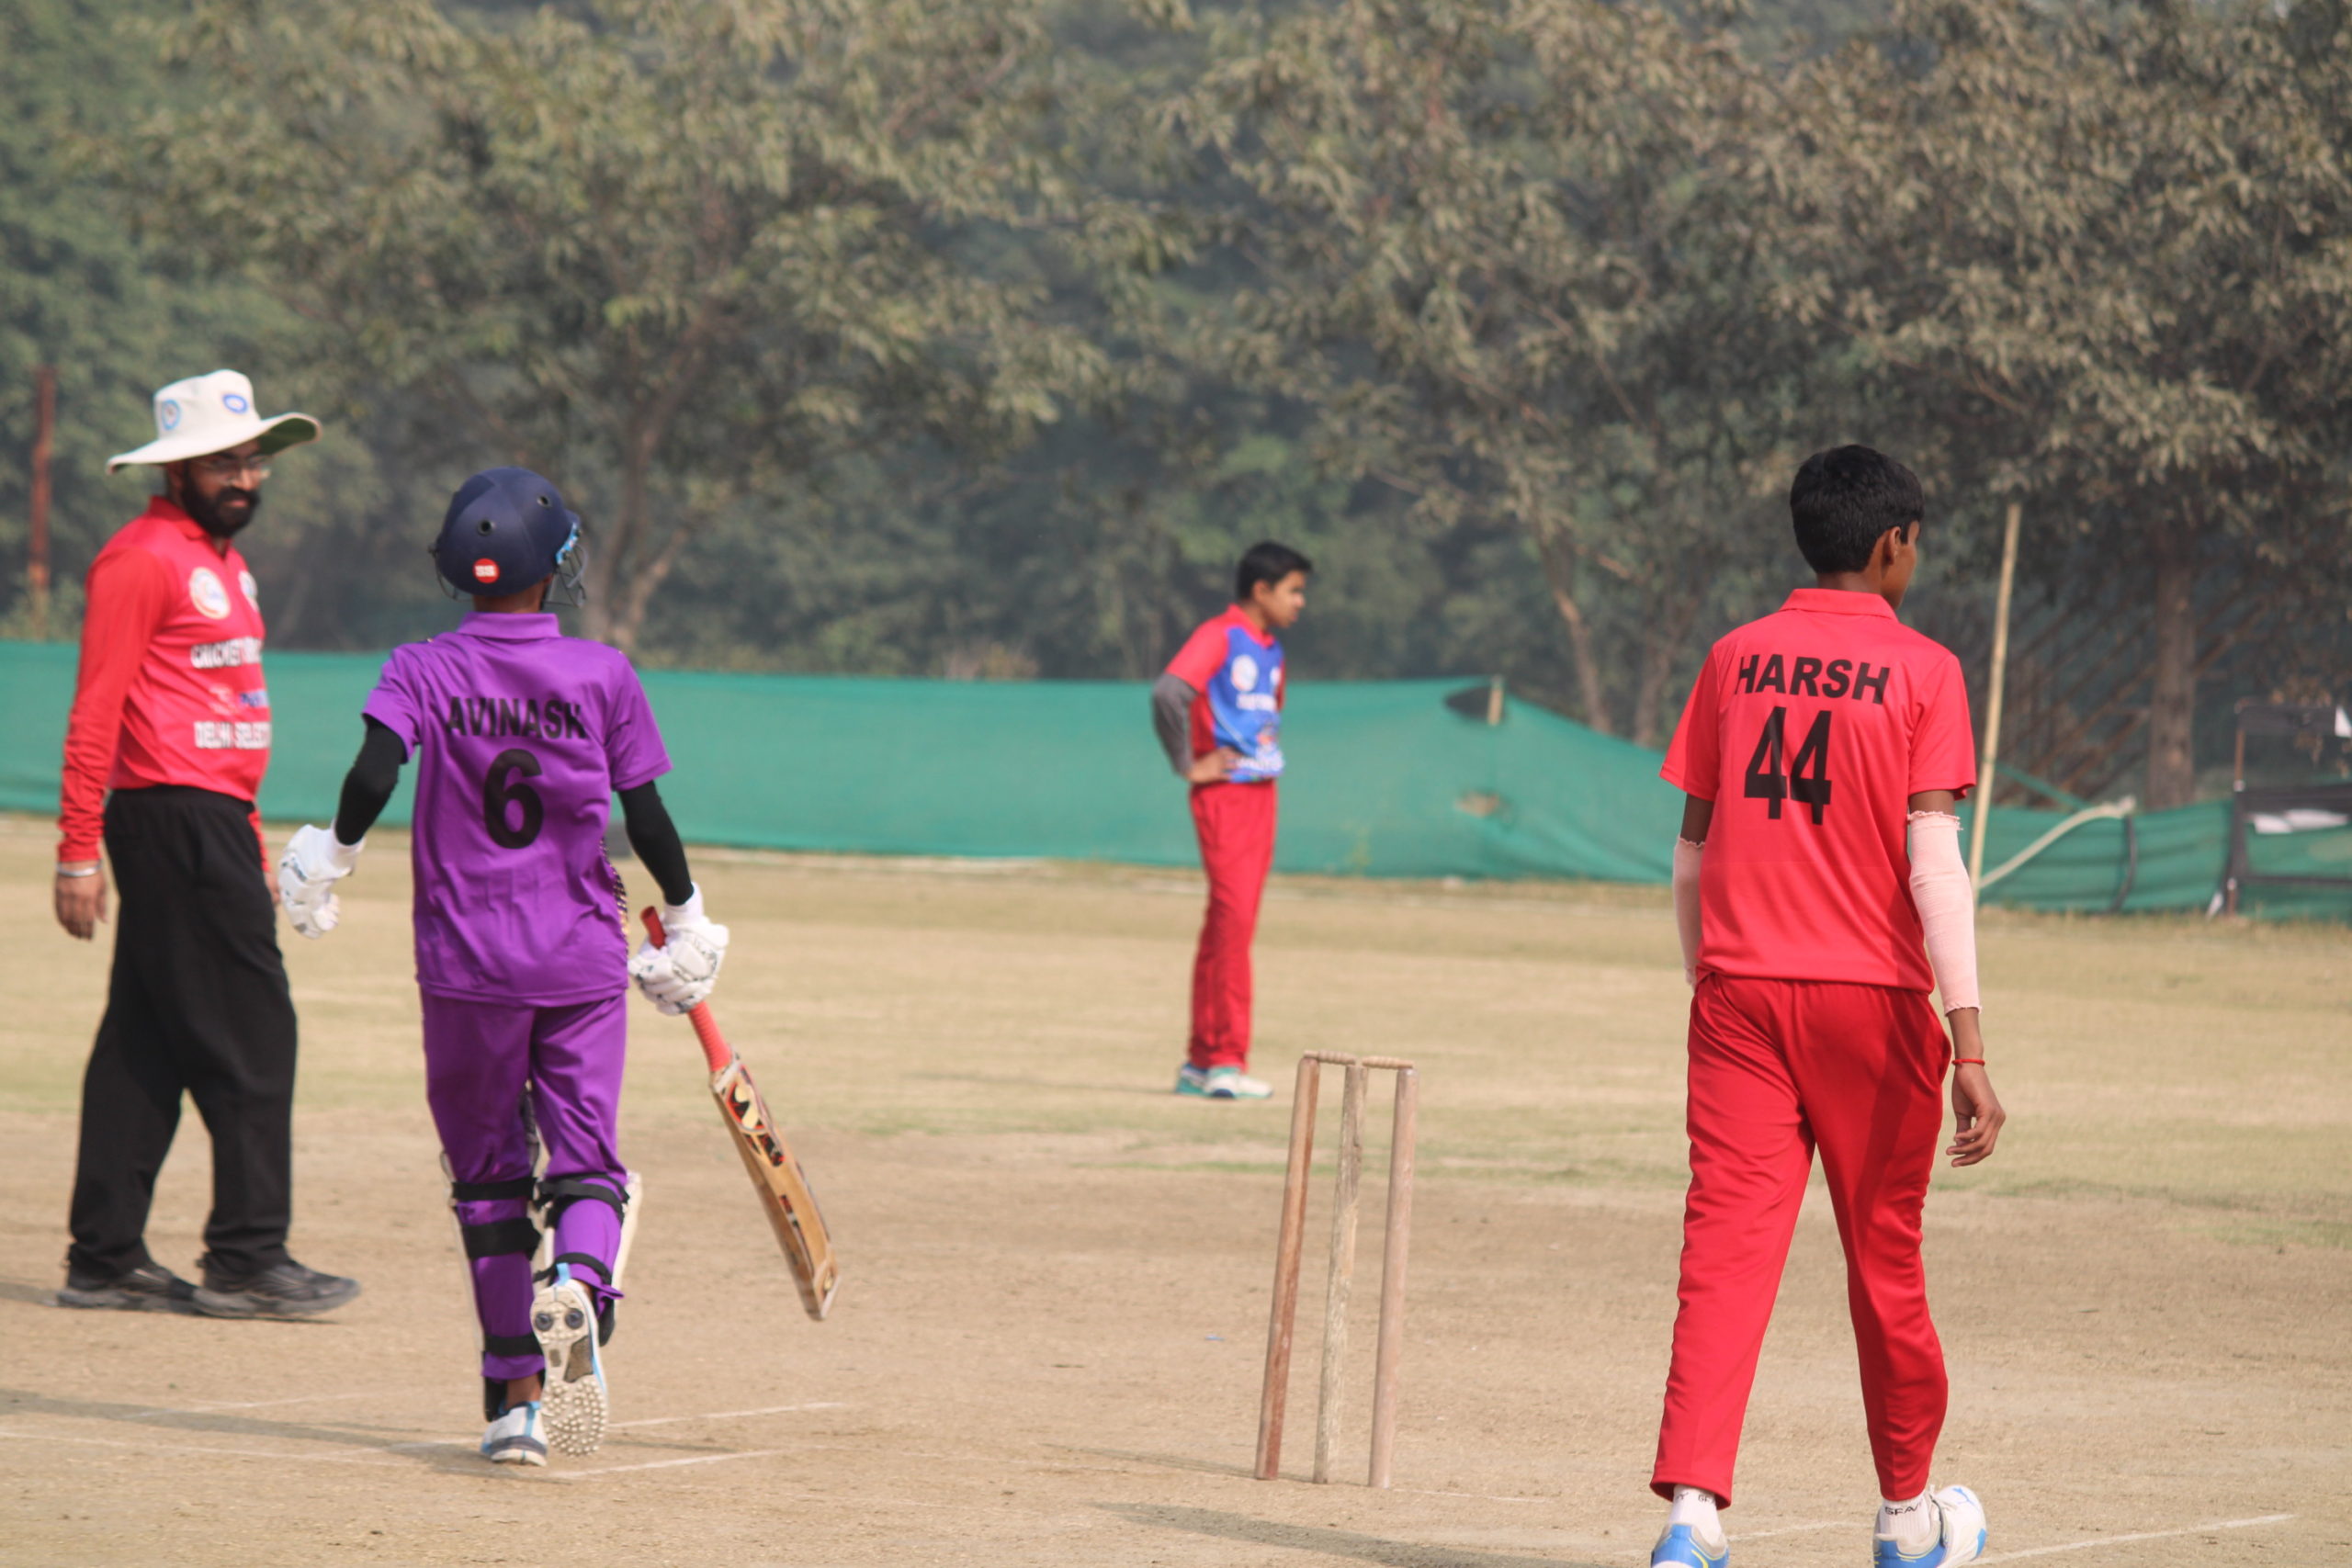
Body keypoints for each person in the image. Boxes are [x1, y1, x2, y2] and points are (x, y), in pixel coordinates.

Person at [277, 467, 729, 1467]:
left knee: (485, 1179)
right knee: (586, 1164)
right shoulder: (604, 674)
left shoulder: (420, 666)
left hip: (462, 965)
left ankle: (513, 1404)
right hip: (574, 960)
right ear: (558, 567)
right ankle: (579, 1281)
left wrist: (331, 855)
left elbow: (374, 770)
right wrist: (689, 919)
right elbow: (643, 813)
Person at [1645, 446, 2007, 1568]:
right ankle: (1906, 1520)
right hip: (1874, 1006)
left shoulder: (1732, 656)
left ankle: (1691, 1519)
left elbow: (1692, 851)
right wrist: (1972, 1042)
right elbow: (1934, 866)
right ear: (1893, 543)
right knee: (1881, 1259)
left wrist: (1704, 980)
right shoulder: (1924, 670)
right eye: (1918, 544)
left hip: (1738, 994)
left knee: (1724, 1255)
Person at [52, 369, 358, 1319]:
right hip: (169, 816)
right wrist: (76, 849)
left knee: (145, 1043)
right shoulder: (140, 557)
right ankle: (246, 1256)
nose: (245, 476)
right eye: (222, 462)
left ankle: (103, 1256)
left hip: (213, 819)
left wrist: (253, 842)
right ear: (175, 470)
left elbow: (229, 713)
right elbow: (96, 706)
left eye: (252, 459)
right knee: (255, 1036)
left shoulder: (226, 564)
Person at [1149, 542, 1311, 1100]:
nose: (1301, 601)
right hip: (1226, 795)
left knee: (1227, 927)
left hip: (1261, 793)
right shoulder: (1220, 634)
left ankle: (1200, 1063)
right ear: (1261, 590)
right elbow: (1170, 692)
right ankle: (1226, 1062)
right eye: (1293, 589)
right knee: (1234, 924)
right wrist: (1187, 766)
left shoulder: (1273, 649)